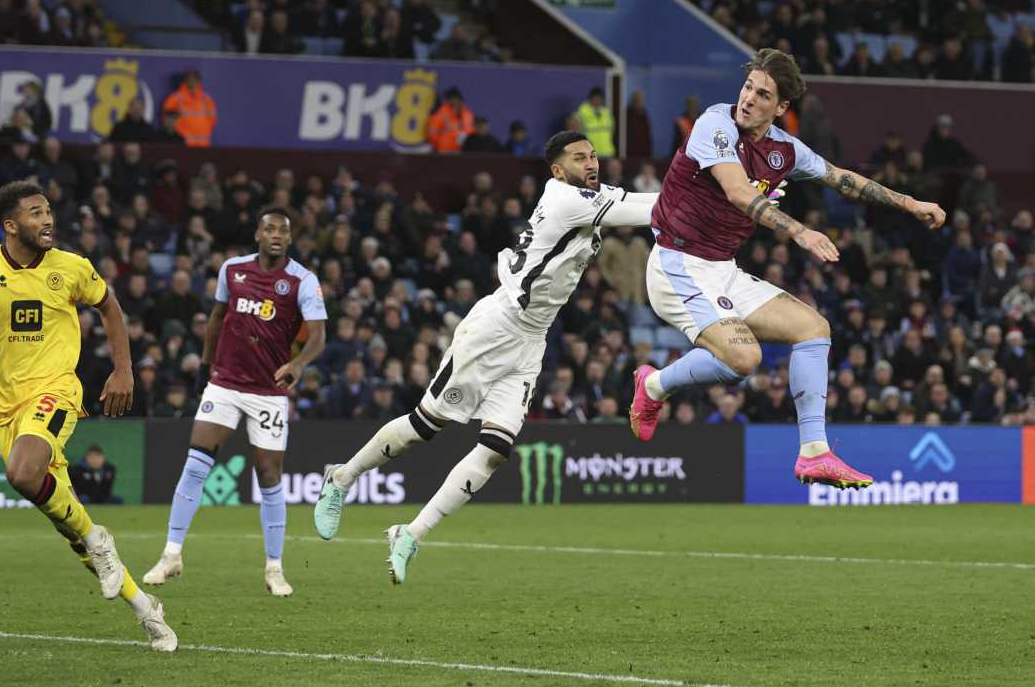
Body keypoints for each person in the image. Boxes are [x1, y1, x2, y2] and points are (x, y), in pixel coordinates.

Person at [314, 131, 658, 584]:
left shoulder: (593, 197)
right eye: (579, 158)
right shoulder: (565, 199)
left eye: (593, 155)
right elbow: (652, 207)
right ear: (557, 171)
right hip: (496, 327)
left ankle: (410, 534)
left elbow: (652, 202)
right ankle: (341, 478)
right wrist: (725, 188)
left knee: (496, 450)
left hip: (532, 340)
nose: (591, 163)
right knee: (426, 426)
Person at [629, 49, 946, 490]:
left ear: (780, 108)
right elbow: (739, 192)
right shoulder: (713, 125)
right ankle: (656, 386)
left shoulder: (784, 149)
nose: (749, 99)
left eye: (763, 95)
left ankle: (814, 452)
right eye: (747, 88)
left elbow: (841, 177)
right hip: (676, 263)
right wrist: (801, 232)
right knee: (744, 358)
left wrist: (910, 204)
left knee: (813, 328)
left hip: (723, 269)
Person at [0, 180, 176, 652]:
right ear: (11, 225)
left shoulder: (72, 268)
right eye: (35, 213)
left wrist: (123, 369)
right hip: (2, 407)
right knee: (67, 523)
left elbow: (110, 308)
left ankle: (99, 541)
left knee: (22, 472)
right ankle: (144, 608)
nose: (47, 219)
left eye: (49, 210)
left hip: (55, 390)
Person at [143, 207, 327, 597]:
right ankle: (171, 553)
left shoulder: (302, 281)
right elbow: (216, 316)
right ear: (258, 235)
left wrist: (298, 363)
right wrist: (204, 365)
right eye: (269, 229)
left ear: (289, 239)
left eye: (283, 230)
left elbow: (318, 337)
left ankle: (274, 567)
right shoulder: (232, 270)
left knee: (269, 476)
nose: (275, 235)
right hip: (224, 383)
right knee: (196, 464)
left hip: (268, 391)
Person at [576, 87, 615, 158]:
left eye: (599, 98)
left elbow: (612, 130)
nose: (597, 100)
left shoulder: (606, 112)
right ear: (590, 98)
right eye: (595, 98)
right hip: (589, 152)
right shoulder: (582, 112)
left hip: (607, 151)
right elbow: (576, 131)